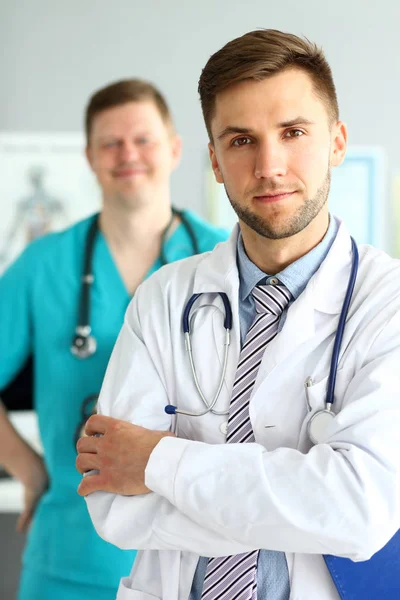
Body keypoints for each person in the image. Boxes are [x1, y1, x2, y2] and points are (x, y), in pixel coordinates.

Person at [77, 31, 400, 600]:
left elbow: (359, 511)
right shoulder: (162, 299)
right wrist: (295, 503)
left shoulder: (388, 304)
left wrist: (157, 460)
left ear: (337, 142)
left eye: (293, 132)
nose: (269, 165)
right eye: (241, 139)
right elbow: (113, 508)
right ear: (215, 161)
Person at [0, 78, 228, 600]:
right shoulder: (45, 265)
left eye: (143, 139)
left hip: (197, 563)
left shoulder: (223, 263)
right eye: (111, 142)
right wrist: (27, 468)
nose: (128, 154)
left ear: (173, 148)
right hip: (69, 562)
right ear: (90, 157)